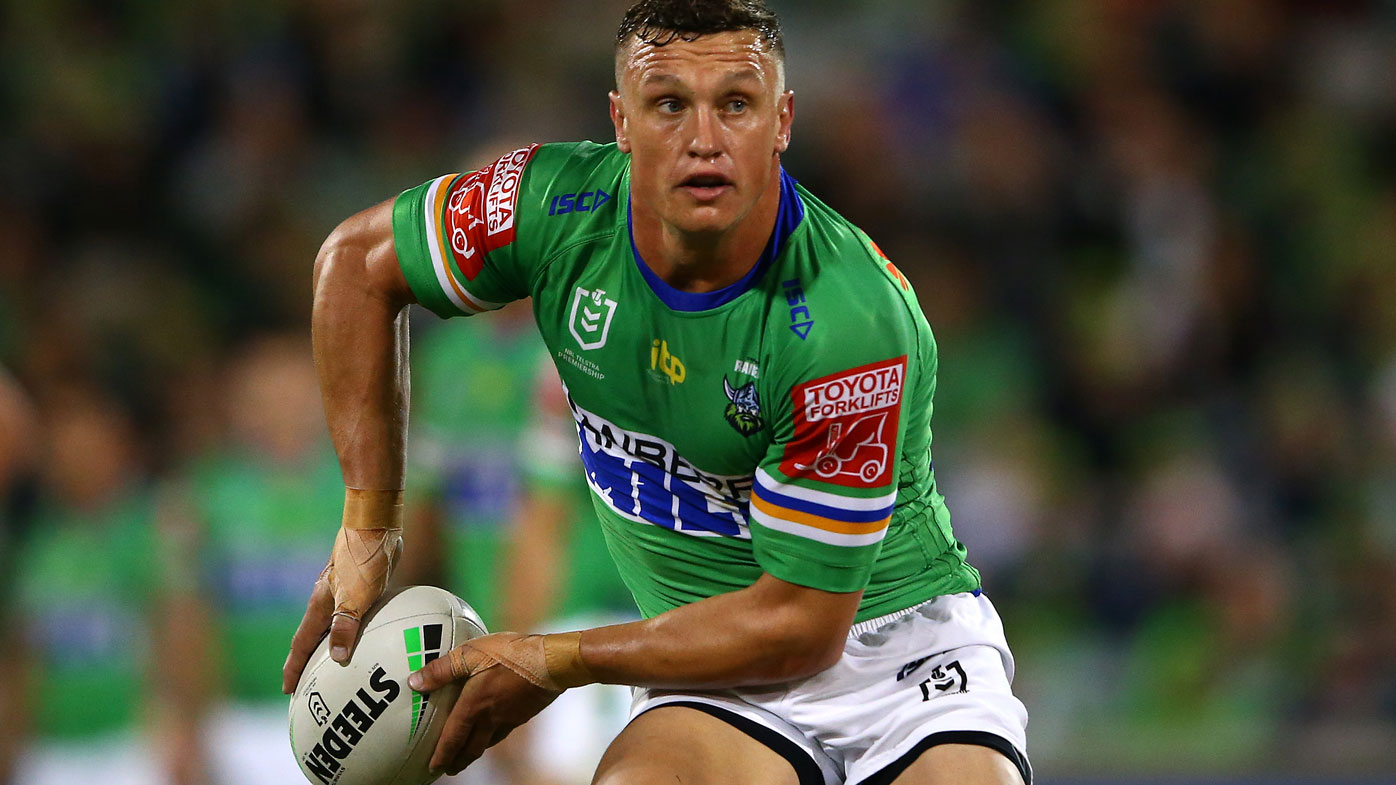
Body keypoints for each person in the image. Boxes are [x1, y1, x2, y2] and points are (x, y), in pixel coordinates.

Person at [283, 2, 1031, 784]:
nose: (703, 140)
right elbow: (355, 264)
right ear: (621, 120)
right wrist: (369, 524)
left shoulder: (847, 321)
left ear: (782, 121)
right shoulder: (553, 208)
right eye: (669, 103)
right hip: (717, 674)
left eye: (735, 104)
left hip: (896, 652)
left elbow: (802, 625)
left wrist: (557, 658)